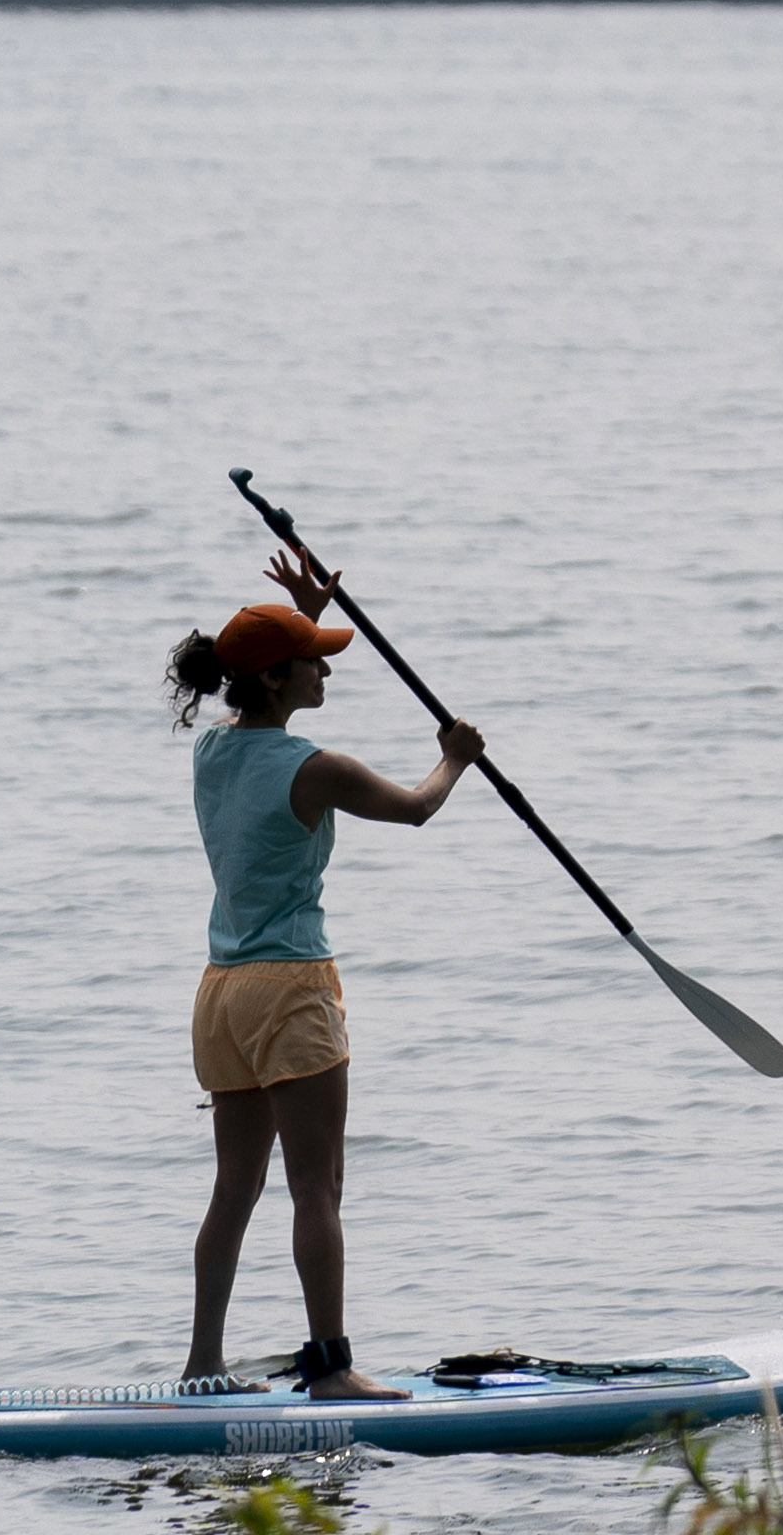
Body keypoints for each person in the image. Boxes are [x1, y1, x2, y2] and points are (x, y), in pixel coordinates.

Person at [165, 534, 488, 1390]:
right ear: (276, 677)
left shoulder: (209, 751)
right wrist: (455, 758)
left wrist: (301, 619)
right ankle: (331, 1367)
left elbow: (254, 692)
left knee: (235, 1189)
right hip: (291, 989)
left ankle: (203, 1363)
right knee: (318, 1186)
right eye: (313, 660)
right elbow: (418, 808)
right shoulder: (319, 769)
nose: (328, 672)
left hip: (220, 993)